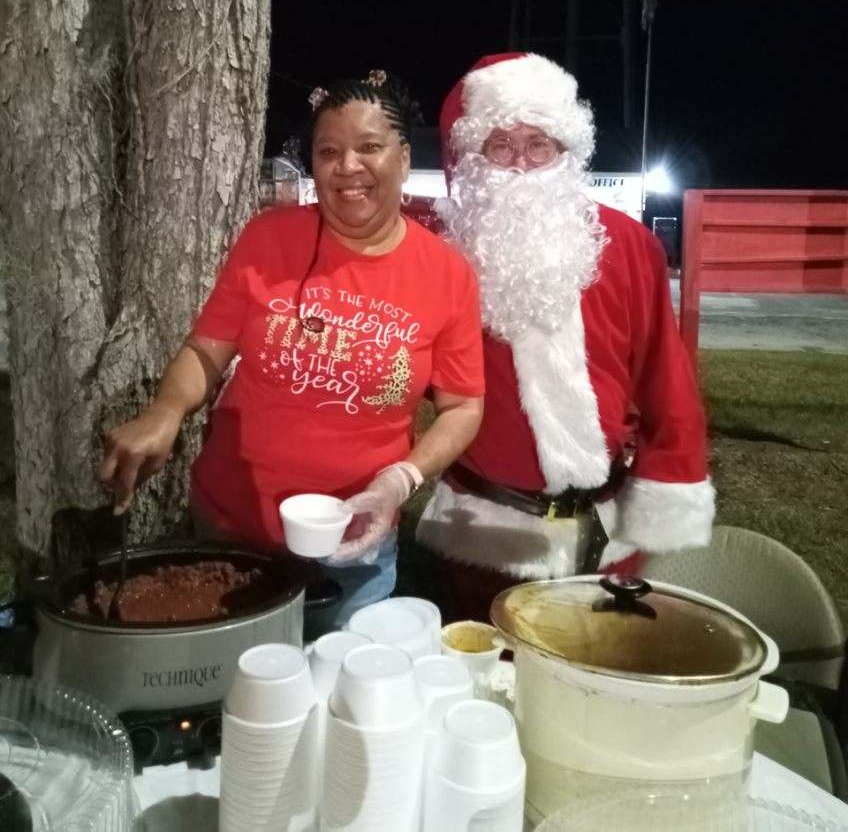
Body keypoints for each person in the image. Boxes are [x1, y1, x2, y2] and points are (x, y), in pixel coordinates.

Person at [99, 70, 485, 623]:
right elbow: (206, 350)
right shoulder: (269, 238)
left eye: (369, 147)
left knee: (338, 696)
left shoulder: (446, 274)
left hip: (354, 545)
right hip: (232, 531)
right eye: (329, 151)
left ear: (404, 156)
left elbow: (463, 406)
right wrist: (165, 411)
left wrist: (399, 482)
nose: (348, 166)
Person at [416, 52, 714, 621]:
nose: (522, 165)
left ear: (566, 151)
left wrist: (670, 483)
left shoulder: (628, 245)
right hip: (484, 539)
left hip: (610, 536)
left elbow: (665, 378)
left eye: (540, 145)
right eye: (500, 147)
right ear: (470, 160)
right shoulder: (440, 257)